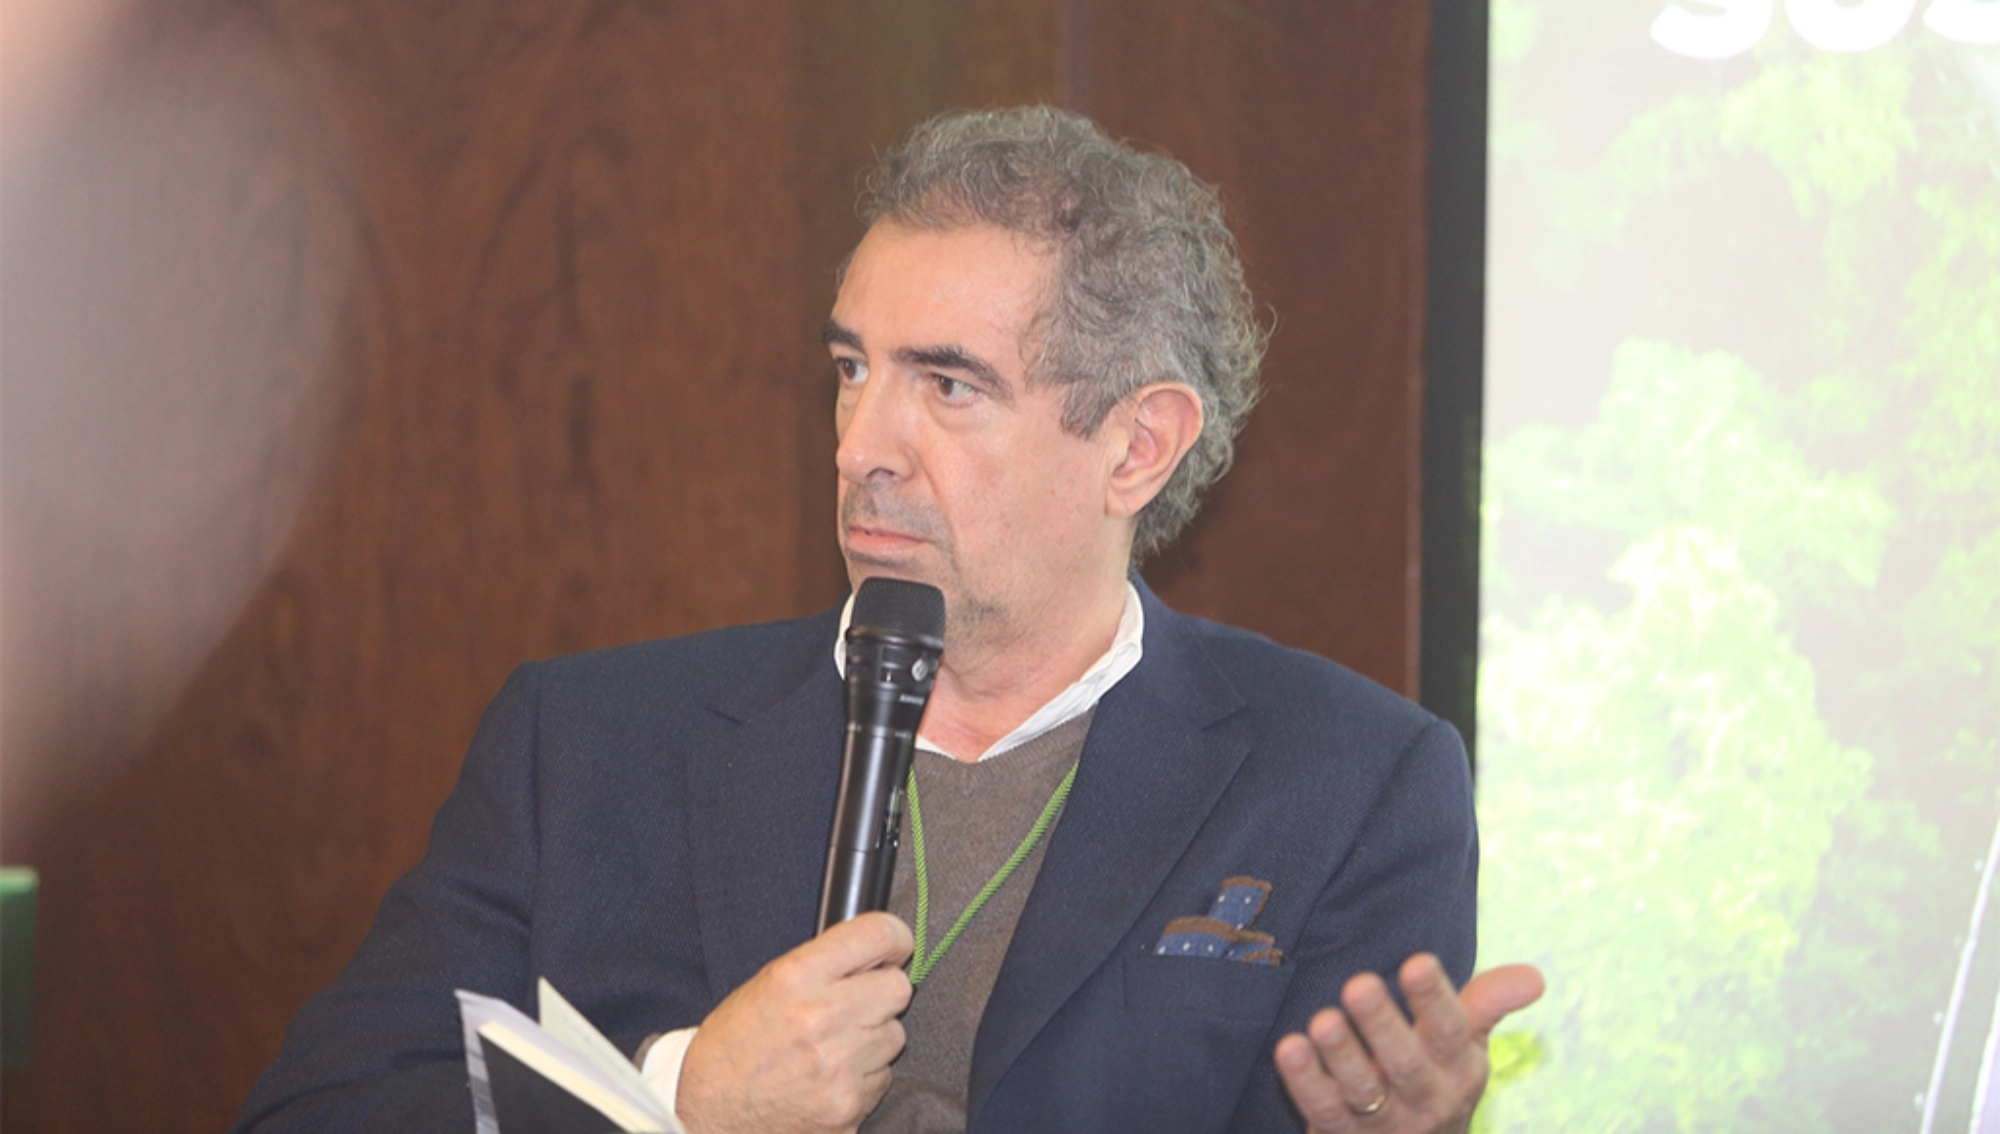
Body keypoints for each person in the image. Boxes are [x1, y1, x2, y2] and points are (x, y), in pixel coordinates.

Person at [233, 106, 1542, 1134]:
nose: (862, 444)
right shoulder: (584, 743)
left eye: (947, 385)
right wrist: (680, 1095)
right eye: (851, 368)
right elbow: (318, 1113)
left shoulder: (1347, 781)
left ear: (1138, 445)